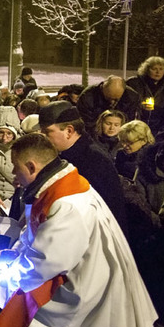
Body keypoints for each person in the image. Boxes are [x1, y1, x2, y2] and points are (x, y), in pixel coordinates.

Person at [0, 133, 158, 327]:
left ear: (32, 167)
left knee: (10, 297)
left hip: (88, 283)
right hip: (80, 266)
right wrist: (18, 251)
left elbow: (48, 261)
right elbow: (39, 232)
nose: (12, 173)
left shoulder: (67, 203)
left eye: (15, 166)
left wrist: (14, 270)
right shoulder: (57, 182)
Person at [38, 101, 128, 238]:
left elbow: (104, 208)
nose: (43, 136)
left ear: (69, 131)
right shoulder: (68, 154)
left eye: (47, 132)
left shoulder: (93, 160)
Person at [126, 56, 164, 136]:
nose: (158, 72)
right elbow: (126, 104)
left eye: (161, 69)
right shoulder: (134, 83)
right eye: (154, 69)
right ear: (147, 69)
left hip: (159, 128)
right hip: (137, 125)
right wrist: (140, 106)